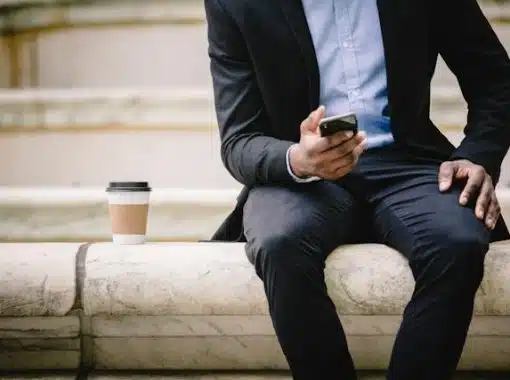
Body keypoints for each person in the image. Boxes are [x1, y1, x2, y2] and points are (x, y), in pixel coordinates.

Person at [204, 0, 510, 379]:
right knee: (279, 242)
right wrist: (298, 159)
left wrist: (478, 155)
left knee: (458, 241)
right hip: (301, 174)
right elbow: (239, 139)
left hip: (408, 163)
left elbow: (495, 78)